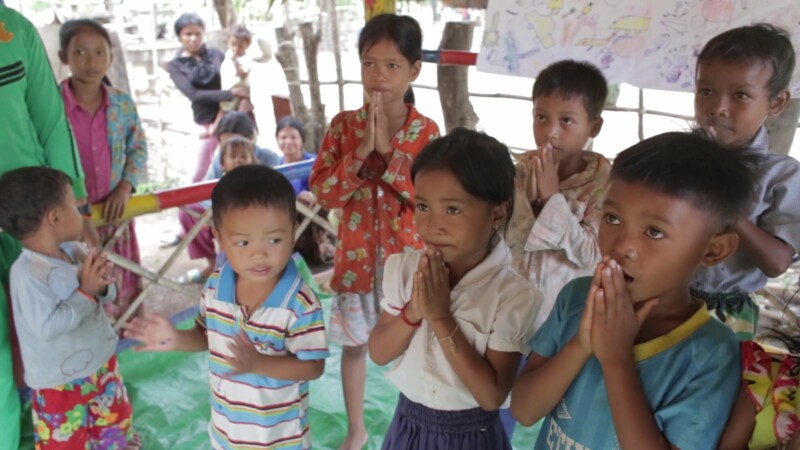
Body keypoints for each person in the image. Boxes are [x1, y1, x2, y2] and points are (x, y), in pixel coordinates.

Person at [510, 131, 756, 449]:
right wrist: (582, 344)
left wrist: (616, 359)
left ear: (713, 250)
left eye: (654, 231)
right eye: (612, 218)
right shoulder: (576, 298)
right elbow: (524, 410)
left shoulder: (711, 353)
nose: (622, 245)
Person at [124, 165, 329, 450]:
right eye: (243, 242)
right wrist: (176, 339)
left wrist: (260, 364)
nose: (258, 253)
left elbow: (313, 366)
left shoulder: (299, 303)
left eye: (274, 239)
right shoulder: (217, 285)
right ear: (218, 239)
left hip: (280, 439)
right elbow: (205, 334)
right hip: (226, 433)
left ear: (294, 232)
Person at [308, 13, 440, 449]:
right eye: (369, 63)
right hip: (356, 263)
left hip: (409, 263)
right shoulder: (344, 126)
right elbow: (324, 194)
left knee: (419, 346)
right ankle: (356, 429)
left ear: (414, 70)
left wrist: (390, 155)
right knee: (353, 347)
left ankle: (419, 426)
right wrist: (361, 154)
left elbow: (428, 201)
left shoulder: (427, 132)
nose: (378, 76)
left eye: (392, 65)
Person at [368, 128, 540, 449]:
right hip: (408, 426)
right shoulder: (403, 270)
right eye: (422, 207)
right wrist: (414, 311)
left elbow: (492, 395)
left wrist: (441, 317)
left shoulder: (513, 297)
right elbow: (378, 353)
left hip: (471, 437)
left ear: (497, 214)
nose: (433, 226)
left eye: (452, 209)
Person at [0, 6, 90, 449]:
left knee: (55, 331)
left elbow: (50, 120)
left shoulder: (14, 28)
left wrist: (74, 209)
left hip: (36, 224)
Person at [0, 167, 140, 450]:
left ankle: (116, 443)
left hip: (102, 365)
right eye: (75, 205)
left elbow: (106, 294)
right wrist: (86, 292)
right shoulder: (26, 274)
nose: (81, 212)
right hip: (59, 385)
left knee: (115, 424)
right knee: (64, 442)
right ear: (55, 217)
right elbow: (46, 327)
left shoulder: (75, 250)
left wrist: (101, 285)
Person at [690, 23, 800, 341]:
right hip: (662, 297)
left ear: (776, 103)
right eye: (706, 91)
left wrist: (726, 203)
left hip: (726, 315)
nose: (717, 108)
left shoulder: (781, 176)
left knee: (714, 389)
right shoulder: (675, 161)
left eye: (740, 95)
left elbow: (777, 263)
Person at [507, 59, 610, 331]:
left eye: (566, 120)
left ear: (594, 127)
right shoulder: (518, 175)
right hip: (508, 310)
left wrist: (553, 200)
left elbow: (591, 255)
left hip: (564, 321)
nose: (550, 133)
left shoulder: (604, 187)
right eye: (541, 117)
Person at [58, 19, 148, 323]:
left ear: (110, 57)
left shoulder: (122, 104)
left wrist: (125, 187)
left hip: (114, 217)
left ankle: (124, 349)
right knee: (79, 290)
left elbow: (137, 147)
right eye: (80, 52)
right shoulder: (52, 107)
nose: (91, 61)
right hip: (70, 223)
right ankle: (90, 358)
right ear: (63, 57)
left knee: (121, 289)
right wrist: (72, 210)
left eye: (99, 52)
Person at [167, 12, 250, 182]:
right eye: (187, 34)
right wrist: (230, 94)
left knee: (239, 163)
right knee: (202, 171)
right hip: (205, 122)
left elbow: (234, 76)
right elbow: (193, 94)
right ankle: (192, 208)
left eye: (197, 33)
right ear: (179, 36)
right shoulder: (176, 65)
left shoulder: (216, 55)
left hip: (232, 118)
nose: (193, 39)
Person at [178, 136, 257, 283]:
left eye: (243, 156)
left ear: (252, 159)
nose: (238, 160)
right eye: (233, 157)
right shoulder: (220, 185)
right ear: (222, 164)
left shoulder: (259, 182)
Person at [275, 116, 335, 266]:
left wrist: (315, 195)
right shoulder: (275, 169)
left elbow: (330, 187)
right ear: (277, 140)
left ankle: (325, 246)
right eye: (283, 137)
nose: (288, 142)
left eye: (293, 137)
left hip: (317, 212)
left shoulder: (315, 163)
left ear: (302, 140)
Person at [220, 24, 254, 116]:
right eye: (233, 44)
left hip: (241, 94)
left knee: (239, 114)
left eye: (241, 46)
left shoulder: (247, 58)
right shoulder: (228, 54)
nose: (236, 49)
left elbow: (243, 74)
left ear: (247, 45)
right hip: (228, 93)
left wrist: (236, 63)